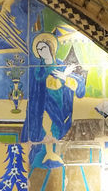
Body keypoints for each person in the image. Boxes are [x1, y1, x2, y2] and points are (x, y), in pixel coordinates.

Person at [21, 32, 86, 169]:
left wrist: (65, 78)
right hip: (44, 107)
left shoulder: (62, 66)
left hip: (60, 107)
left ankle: (53, 155)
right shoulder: (38, 70)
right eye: (39, 50)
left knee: (56, 131)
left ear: (51, 48)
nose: (41, 52)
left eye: (43, 48)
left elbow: (79, 86)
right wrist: (59, 75)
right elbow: (39, 85)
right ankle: (45, 156)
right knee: (46, 131)